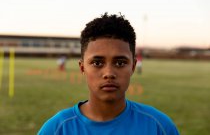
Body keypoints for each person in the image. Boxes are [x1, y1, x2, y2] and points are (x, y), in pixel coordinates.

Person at [38, 13, 179, 135]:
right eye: (97, 63)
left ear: (133, 67)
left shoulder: (159, 126)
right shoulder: (57, 129)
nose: (109, 73)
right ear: (82, 68)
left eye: (120, 63)